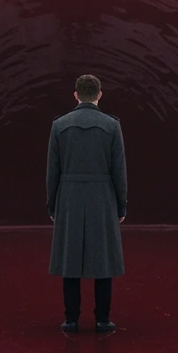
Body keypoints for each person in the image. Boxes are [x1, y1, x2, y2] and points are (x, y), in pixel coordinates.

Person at [46, 74, 127, 333]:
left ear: (76, 94)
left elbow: (53, 171)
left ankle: (71, 319)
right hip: (102, 196)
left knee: (70, 260)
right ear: (99, 94)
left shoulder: (59, 126)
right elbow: (119, 171)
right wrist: (121, 206)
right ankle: (102, 319)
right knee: (103, 259)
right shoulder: (112, 126)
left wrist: (52, 205)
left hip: (69, 196)